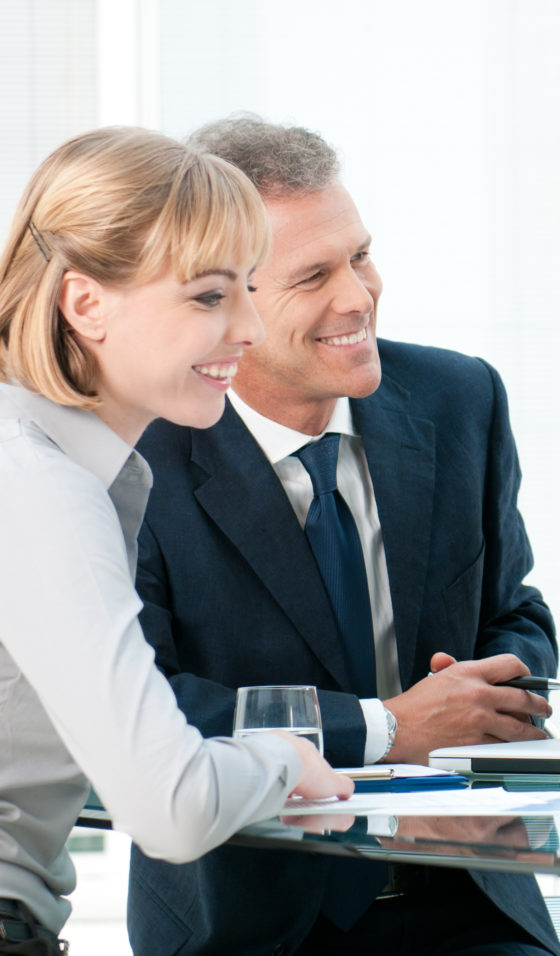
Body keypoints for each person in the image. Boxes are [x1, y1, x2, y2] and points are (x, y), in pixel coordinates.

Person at [126, 116, 560, 956]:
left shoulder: (458, 399)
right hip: (251, 920)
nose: (359, 295)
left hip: (470, 899)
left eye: (360, 256)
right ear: (220, 304)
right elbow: (150, 707)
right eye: (314, 275)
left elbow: (516, 611)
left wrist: (490, 687)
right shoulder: (138, 455)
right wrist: (387, 725)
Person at [0, 126, 352, 955]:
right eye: (208, 296)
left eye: (249, 290)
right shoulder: (39, 486)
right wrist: (285, 760)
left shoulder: (61, 468)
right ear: (85, 304)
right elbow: (172, 806)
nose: (250, 329)